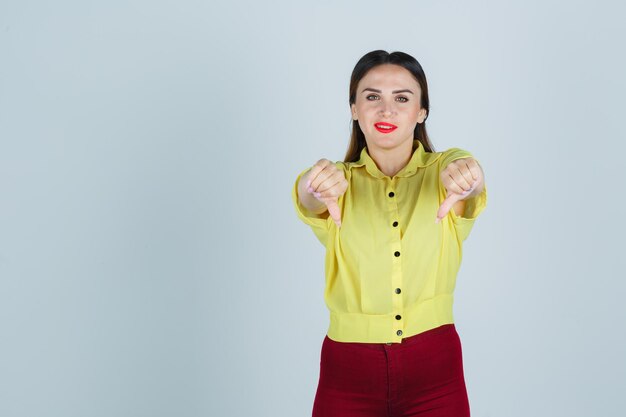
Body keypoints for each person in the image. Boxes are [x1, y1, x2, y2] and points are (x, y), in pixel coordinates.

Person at [291, 50, 487, 417]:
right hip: (347, 369)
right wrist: (312, 184)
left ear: (422, 111)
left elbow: (467, 170)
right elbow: (307, 194)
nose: (386, 110)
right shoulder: (337, 181)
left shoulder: (445, 170)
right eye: (371, 97)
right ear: (353, 109)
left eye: (402, 98)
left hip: (436, 367)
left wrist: (468, 175)